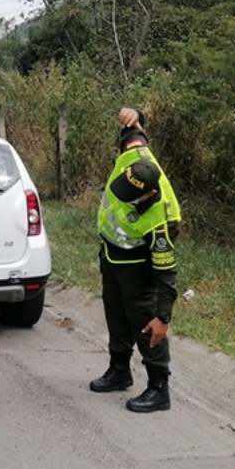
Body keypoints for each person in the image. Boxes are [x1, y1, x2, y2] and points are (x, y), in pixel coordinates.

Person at [90, 107, 182, 413]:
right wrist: (132, 115)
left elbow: (167, 276)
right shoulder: (134, 158)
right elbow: (133, 130)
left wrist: (163, 318)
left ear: (149, 194)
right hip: (112, 256)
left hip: (138, 268)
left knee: (144, 321)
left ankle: (159, 388)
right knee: (115, 313)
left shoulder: (161, 221)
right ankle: (119, 370)